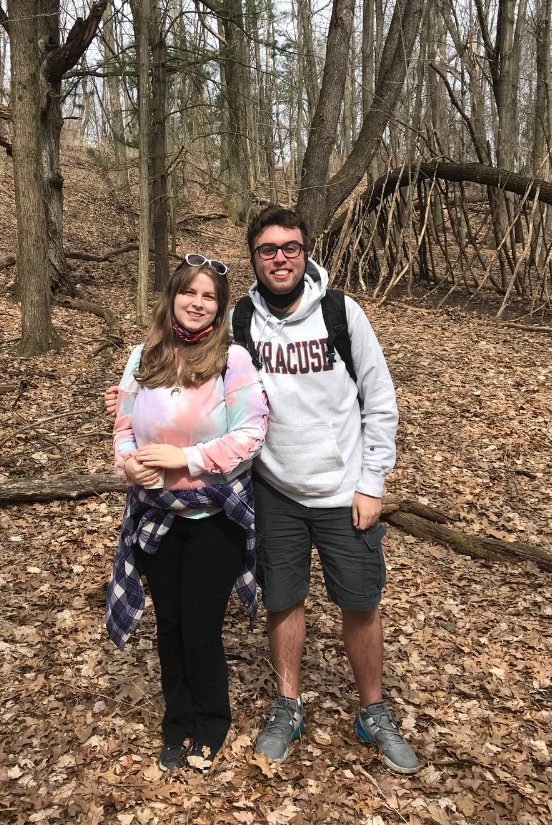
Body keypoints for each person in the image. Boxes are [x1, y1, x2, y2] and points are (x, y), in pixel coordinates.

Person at [106, 207, 419, 776]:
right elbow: (184, 386)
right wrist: (131, 416)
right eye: (268, 249)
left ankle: (374, 709)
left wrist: (372, 483)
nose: (280, 258)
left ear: (306, 252)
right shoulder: (243, 320)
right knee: (284, 600)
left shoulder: (342, 314)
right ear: (254, 258)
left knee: (359, 601)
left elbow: (381, 402)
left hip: (344, 488)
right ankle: (286, 705)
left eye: (290, 248)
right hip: (273, 491)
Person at [105, 255, 268, 773]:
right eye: (189, 293)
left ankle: (211, 721)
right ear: (172, 296)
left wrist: (187, 459)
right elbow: (124, 427)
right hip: (154, 516)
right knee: (170, 626)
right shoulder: (143, 356)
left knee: (200, 628)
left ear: (219, 309)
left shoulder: (233, 361)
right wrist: (129, 466)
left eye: (209, 298)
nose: (197, 304)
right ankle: (176, 724)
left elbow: (251, 435)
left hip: (213, 516)